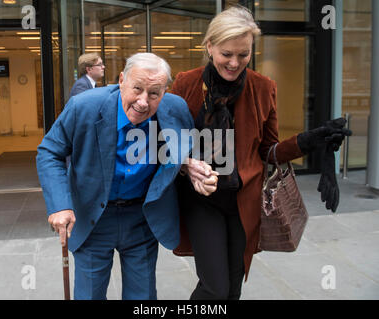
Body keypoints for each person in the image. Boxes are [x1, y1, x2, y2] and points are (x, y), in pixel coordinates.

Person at [172, 6, 351, 300]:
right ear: (209, 47)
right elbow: (167, 143)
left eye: (243, 54)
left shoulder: (263, 87)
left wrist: (308, 140)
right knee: (214, 288)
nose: (234, 62)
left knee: (232, 288)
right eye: (226, 53)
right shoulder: (186, 84)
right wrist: (186, 165)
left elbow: (268, 151)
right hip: (200, 200)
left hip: (243, 202)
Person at [36, 52, 194, 300]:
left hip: (141, 217)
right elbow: (49, 152)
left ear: (164, 92)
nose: (143, 102)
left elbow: (183, 148)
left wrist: (188, 164)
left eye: (154, 93)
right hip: (93, 217)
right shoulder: (84, 107)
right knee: (89, 295)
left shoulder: (176, 109)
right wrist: (60, 206)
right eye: (137, 89)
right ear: (121, 80)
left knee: (142, 297)